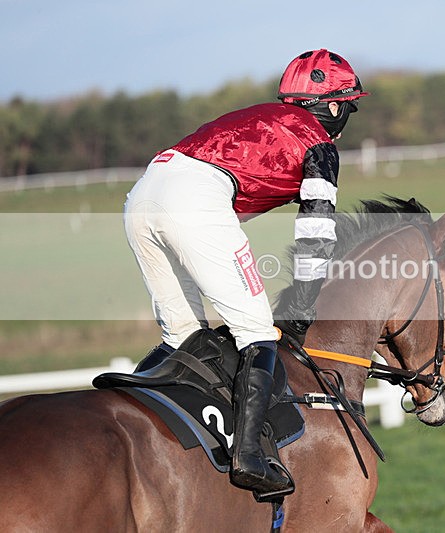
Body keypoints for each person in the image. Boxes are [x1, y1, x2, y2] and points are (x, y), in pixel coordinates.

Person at [123, 49, 368, 497]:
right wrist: (303, 302)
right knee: (257, 331)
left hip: (142, 193)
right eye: (347, 106)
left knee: (181, 335)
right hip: (194, 200)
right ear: (334, 106)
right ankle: (250, 456)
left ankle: (122, 403)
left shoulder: (259, 116)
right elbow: (316, 228)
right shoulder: (320, 142)